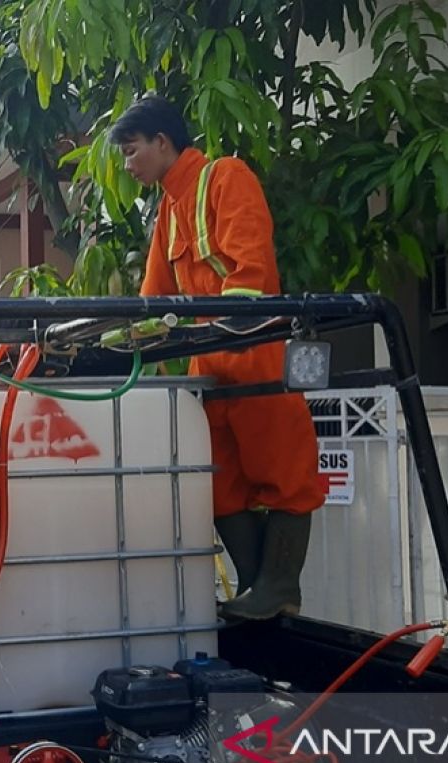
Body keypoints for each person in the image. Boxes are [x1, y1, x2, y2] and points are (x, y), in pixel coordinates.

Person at [110, 95, 325, 619]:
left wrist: (229, 323)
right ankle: (260, 592)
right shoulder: (169, 207)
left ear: (163, 143)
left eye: (132, 151)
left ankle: (279, 589)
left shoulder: (225, 176)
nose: (127, 165)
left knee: (284, 471)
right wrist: (119, 340)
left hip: (252, 345)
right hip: (208, 359)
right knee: (220, 483)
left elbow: (249, 265)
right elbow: (155, 294)